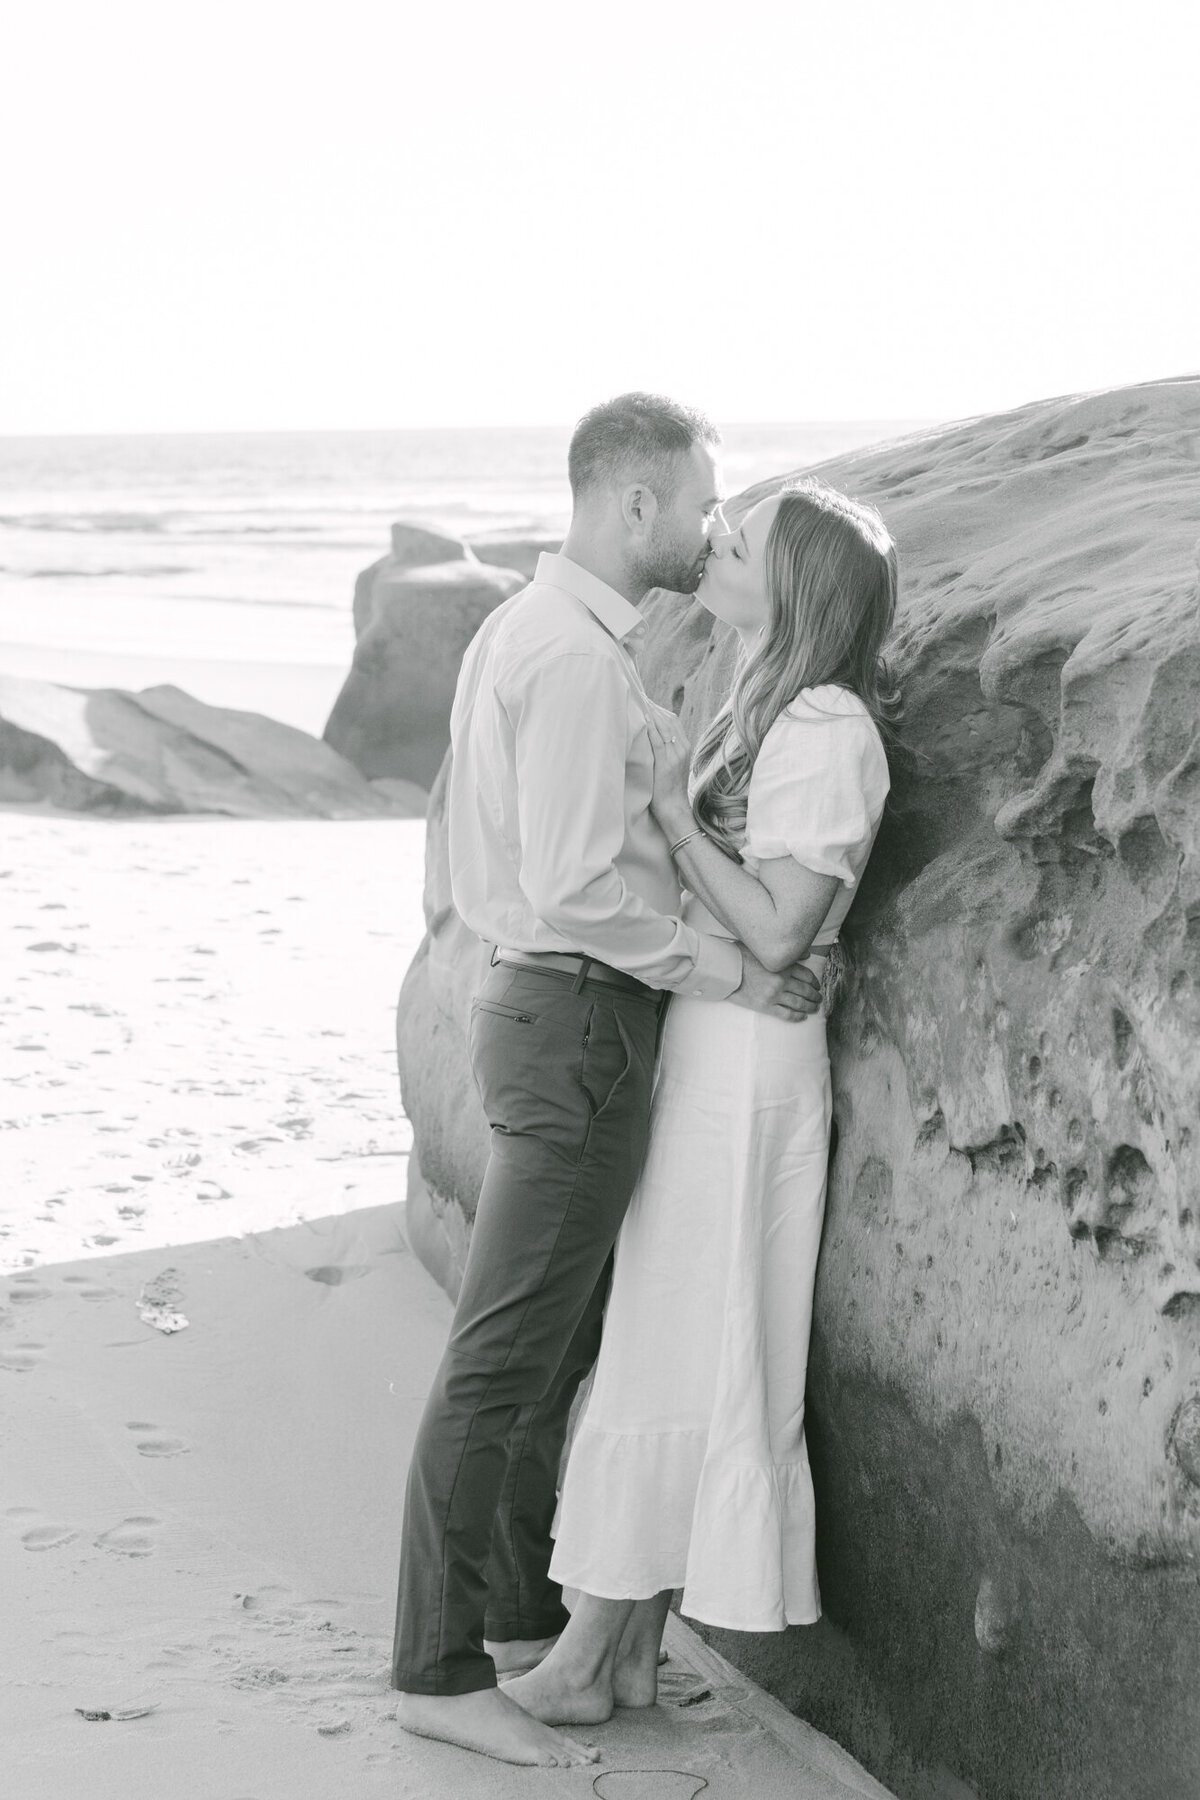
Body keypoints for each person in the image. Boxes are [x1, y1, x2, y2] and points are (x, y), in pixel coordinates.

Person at [391, 394, 824, 1768]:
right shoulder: (571, 663)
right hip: (577, 1016)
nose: (708, 528)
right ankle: (436, 1666)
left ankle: (520, 1628)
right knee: (506, 1356)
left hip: (555, 1015)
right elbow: (581, 889)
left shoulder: (544, 637)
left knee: (555, 1344)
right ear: (635, 504)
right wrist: (727, 969)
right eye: (700, 503)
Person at [504, 477, 897, 1728]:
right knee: (673, 1337)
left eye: (747, 542)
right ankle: (616, 1655)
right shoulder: (759, 700)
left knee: (688, 1340)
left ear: (797, 590)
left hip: (748, 1070)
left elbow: (780, 931)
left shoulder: (826, 723)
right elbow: (754, 915)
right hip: (716, 1047)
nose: (718, 543)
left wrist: (677, 818)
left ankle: (585, 1659)